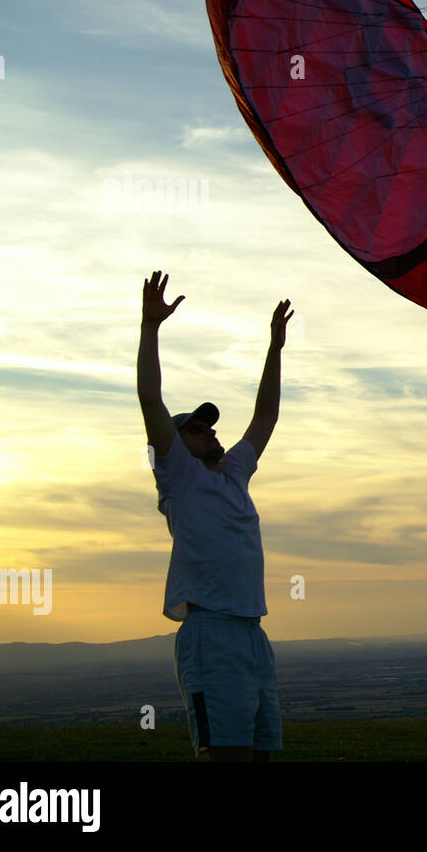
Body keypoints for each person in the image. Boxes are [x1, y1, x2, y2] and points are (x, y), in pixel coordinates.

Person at [137, 269, 293, 762]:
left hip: (253, 632)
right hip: (211, 634)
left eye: (209, 424)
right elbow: (150, 400)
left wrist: (275, 349)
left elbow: (265, 416)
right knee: (224, 755)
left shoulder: (234, 472)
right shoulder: (179, 474)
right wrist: (150, 327)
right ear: (173, 444)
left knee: (262, 753)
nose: (207, 429)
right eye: (195, 426)